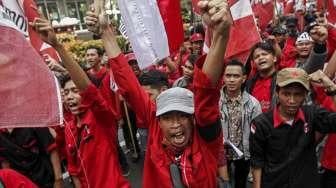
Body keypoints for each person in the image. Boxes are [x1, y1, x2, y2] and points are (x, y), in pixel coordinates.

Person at [85, 0, 232, 186]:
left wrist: (221, 34)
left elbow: (206, 92)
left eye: (183, 116)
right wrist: (106, 33)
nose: (176, 124)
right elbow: (129, 85)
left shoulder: (204, 137)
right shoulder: (154, 126)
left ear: (193, 118)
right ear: (157, 119)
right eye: (168, 117)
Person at [31, 18, 130, 188]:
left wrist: (58, 46)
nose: (70, 96)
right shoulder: (69, 128)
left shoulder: (101, 119)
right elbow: (74, 169)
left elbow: (88, 90)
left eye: (75, 91)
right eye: (66, 92)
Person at [250, 68, 336, 188]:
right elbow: (257, 163)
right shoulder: (261, 124)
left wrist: (332, 88)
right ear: (277, 93)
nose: (291, 100)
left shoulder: (312, 115)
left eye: (298, 94)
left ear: (305, 95)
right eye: (286, 94)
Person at [219, 60, 262, 188]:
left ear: (243, 78)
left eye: (236, 76)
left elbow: (257, 134)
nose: (231, 80)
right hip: (221, 154)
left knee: (240, 184)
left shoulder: (253, 104)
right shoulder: (215, 101)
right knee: (222, 184)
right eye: (228, 75)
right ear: (223, 77)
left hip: (243, 154)